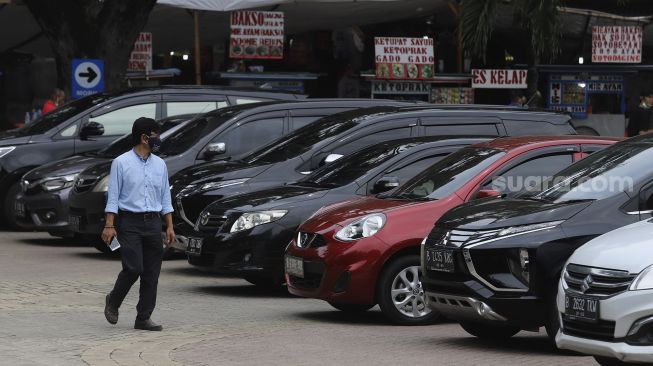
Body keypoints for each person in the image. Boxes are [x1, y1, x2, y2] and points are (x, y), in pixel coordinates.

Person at [102, 117, 176, 331]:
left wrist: (169, 225)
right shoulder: (121, 162)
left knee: (152, 272)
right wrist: (109, 224)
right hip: (129, 222)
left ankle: (143, 317)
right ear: (144, 138)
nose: (158, 139)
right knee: (134, 268)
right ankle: (113, 301)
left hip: (153, 223)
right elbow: (113, 197)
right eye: (155, 135)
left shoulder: (160, 164)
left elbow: (165, 198)